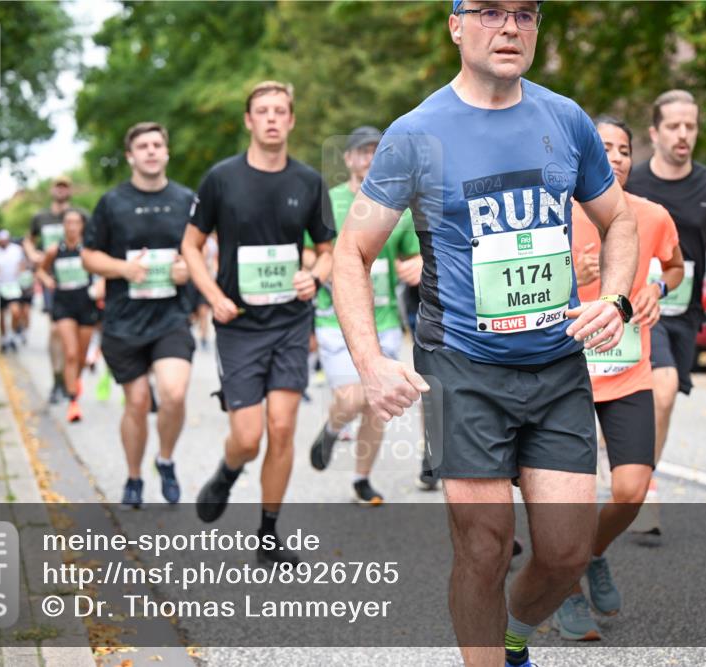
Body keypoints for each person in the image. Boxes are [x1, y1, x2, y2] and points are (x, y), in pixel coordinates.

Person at [331, 3, 638, 665]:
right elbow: (351, 253)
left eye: (525, 14)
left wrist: (615, 297)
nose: (510, 27)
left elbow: (619, 223)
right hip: (461, 365)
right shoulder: (417, 134)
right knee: (484, 543)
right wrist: (372, 363)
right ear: (456, 25)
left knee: (564, 552)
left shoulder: (567, 120)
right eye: (491, 11)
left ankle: (514, 636)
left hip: (557, 365)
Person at [182, 81, 335, 567]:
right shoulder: (220, 180)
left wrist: (313, 275)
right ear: (248, 120)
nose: (271, 118)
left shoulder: (308, 182)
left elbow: (329, 251)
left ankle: (268, 533)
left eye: (280, 111)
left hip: (290, 322)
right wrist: (213, 297)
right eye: (262, 111)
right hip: (239, 324)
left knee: (283, 427)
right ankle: (228, 472)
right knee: (248, 437)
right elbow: (190, 245)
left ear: (291, 121)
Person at [553, 116, 684, 640]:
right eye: (604, 147)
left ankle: (591, 554)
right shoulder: (558, 214)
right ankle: (564, 589)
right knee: (570, 494)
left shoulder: (651, 215)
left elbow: (672, 266)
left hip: (629, 372)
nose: (616, 157)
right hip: (567, 375)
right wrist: (571, 278)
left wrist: (658, 289)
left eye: (624, 149)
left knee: (630, 492)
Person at [624, 89, 706, 533]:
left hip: (685, 310)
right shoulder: (632, 182)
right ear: (654, 133)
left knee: (664, 398)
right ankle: (641, 487)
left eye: (690, 126)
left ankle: (638, 477)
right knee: (663, 387)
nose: (683, 134)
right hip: (639, 306)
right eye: (674, 126)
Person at [82, 122, 197, 508]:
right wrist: (123, 269)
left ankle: (165, 460)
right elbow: (89, 255)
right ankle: (134, 478)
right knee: (135, 403)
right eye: (142, 146)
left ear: (166, 152)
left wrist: (187, 268)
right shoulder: (112, 202)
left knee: (174, 393)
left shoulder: (186, 200)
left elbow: (200, 250)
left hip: (171, 316)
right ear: (130, 156)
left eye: (157, 144)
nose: (150, 151)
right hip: (124, 320)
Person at [307, 125, 422, 505]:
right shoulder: (330, 201)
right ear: (348, 159)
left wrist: (418, 262)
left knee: (377, 400)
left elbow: (413, 254)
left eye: (376, 151)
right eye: (362, 152)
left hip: (384, 318)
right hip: (333, 317)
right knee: (353, 397)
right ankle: (333, 425)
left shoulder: (397, 204)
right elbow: (312, 249)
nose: (369, 158)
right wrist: (317, 270)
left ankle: (361, 478)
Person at [36, 209, 103, 423]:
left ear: (82, 226)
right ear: (63, 226)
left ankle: (74, 382)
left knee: (81, 356)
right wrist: (47, 281)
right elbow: (40, 271)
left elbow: (103, 271)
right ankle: (73, 402)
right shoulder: (55, 250)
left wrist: (101, 286)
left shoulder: (89, 250)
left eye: (76, 222)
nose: (72, 226)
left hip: (86, 303)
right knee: (71, 353)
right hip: (64, 304)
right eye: (68, 222)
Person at [25, 176, 76, 404]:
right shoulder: (41, 217)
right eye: (58, 186)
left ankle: (70, 378)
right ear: (52, 189)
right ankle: (57, 381)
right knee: (55, 329)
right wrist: (34, 255)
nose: (61, 190)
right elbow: (28, 240)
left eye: (65, 186)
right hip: (51, 280)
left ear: (70, 190)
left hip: (77, 278)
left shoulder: (79, 215)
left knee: (73, 335)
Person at [0, 230, 27, 353]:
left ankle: (12, 336)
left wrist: (20, 270)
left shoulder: (17, 250)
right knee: (2, 314)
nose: (3, 242)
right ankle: (4, 338)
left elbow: (23, 263)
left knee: (16, 312)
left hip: (13, 286)